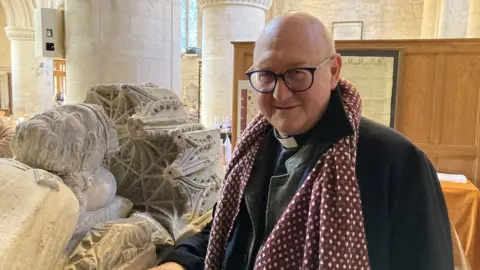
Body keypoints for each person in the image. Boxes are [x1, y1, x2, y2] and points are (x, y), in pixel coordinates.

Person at [152, 12, 454, 270]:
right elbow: (225, 229)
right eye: (267, 75)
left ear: (333, 71)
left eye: (297, 74)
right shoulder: (254, 150)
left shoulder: (396, 162)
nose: (280, 94)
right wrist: (178, 261)